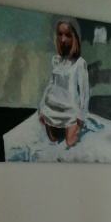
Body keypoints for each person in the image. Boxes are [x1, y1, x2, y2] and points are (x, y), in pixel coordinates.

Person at [38, 17, 89, 147]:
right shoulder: (56, 60)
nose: (63, 39)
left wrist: (81, 116)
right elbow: (50, 84)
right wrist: (42, 109)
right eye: (60, 34)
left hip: (70, 111)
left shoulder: (80, 63)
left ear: (74, 37)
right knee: (52, 141)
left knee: (69, 143)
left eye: (67, 35)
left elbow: (84, 92)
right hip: (51, 108)